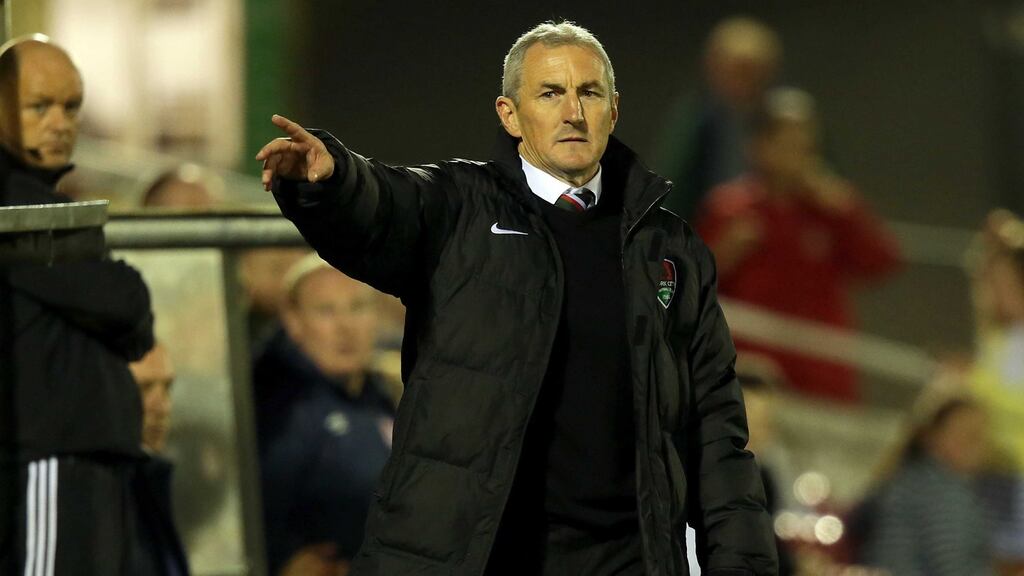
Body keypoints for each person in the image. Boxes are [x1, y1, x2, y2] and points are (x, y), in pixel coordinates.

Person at [257, 21, 777, 576]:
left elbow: (718, 430)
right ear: (510, 114)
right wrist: (331, 180)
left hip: (628, 559)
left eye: (589, 93)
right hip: (482, 557)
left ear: (614, 111)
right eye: (551, 93)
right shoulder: (459, 210)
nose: (573, 112)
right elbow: (382, 205)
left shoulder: (669, 248)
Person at [0, 36, 156, 575]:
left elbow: (133, 320)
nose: (60, 123)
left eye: (71, 106)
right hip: (50, 462)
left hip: (85, 463)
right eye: (39, 106)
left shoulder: (47, 205)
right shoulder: (11, 203)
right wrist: (124, 304)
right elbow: (126, 302)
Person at [697, 87, 901, 403]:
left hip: (823, 379)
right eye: (787, 144)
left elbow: (882, 263)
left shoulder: (832, 208)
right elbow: (686, 287)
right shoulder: (730, 209)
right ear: (759, 146)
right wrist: (724, 252)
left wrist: (847, 210)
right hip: (754, 381)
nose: (799, 155)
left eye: (806, 146)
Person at [253, 255, 396, 576]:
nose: (345, 327)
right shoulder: (275, 408)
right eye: (326, 311)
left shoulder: (381, 394)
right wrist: (282, 558)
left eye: (357, 308)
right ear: (293, 322)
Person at [860, 386, 995, 575]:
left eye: (980, 438)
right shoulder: (945, 494)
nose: (978, 448)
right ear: (933, 436)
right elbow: (953, 568)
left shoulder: (902, 479)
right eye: (969, 437)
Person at [657, 16, 782, 220]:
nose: (749, 80)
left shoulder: (784, 120)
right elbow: (672, 190)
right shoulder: (697, 121)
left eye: (756, 71)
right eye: (740, 69)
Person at [128, 344, 191, 576]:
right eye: (143, 388)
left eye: (167, 387)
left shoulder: (150, 481)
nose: (162, 406)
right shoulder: (93, 494)